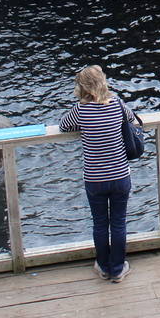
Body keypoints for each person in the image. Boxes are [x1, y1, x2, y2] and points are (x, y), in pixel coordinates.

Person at [60, 65, 137, 283]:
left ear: (82, 87)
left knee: (100, 223)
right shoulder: (117, 104)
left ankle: (103, 266)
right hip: (120, 174)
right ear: (103, 81)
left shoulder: (80, 110)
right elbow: (131, 118)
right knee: (119, 222)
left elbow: (64, 126)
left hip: (95, 178)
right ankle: (118, 268)